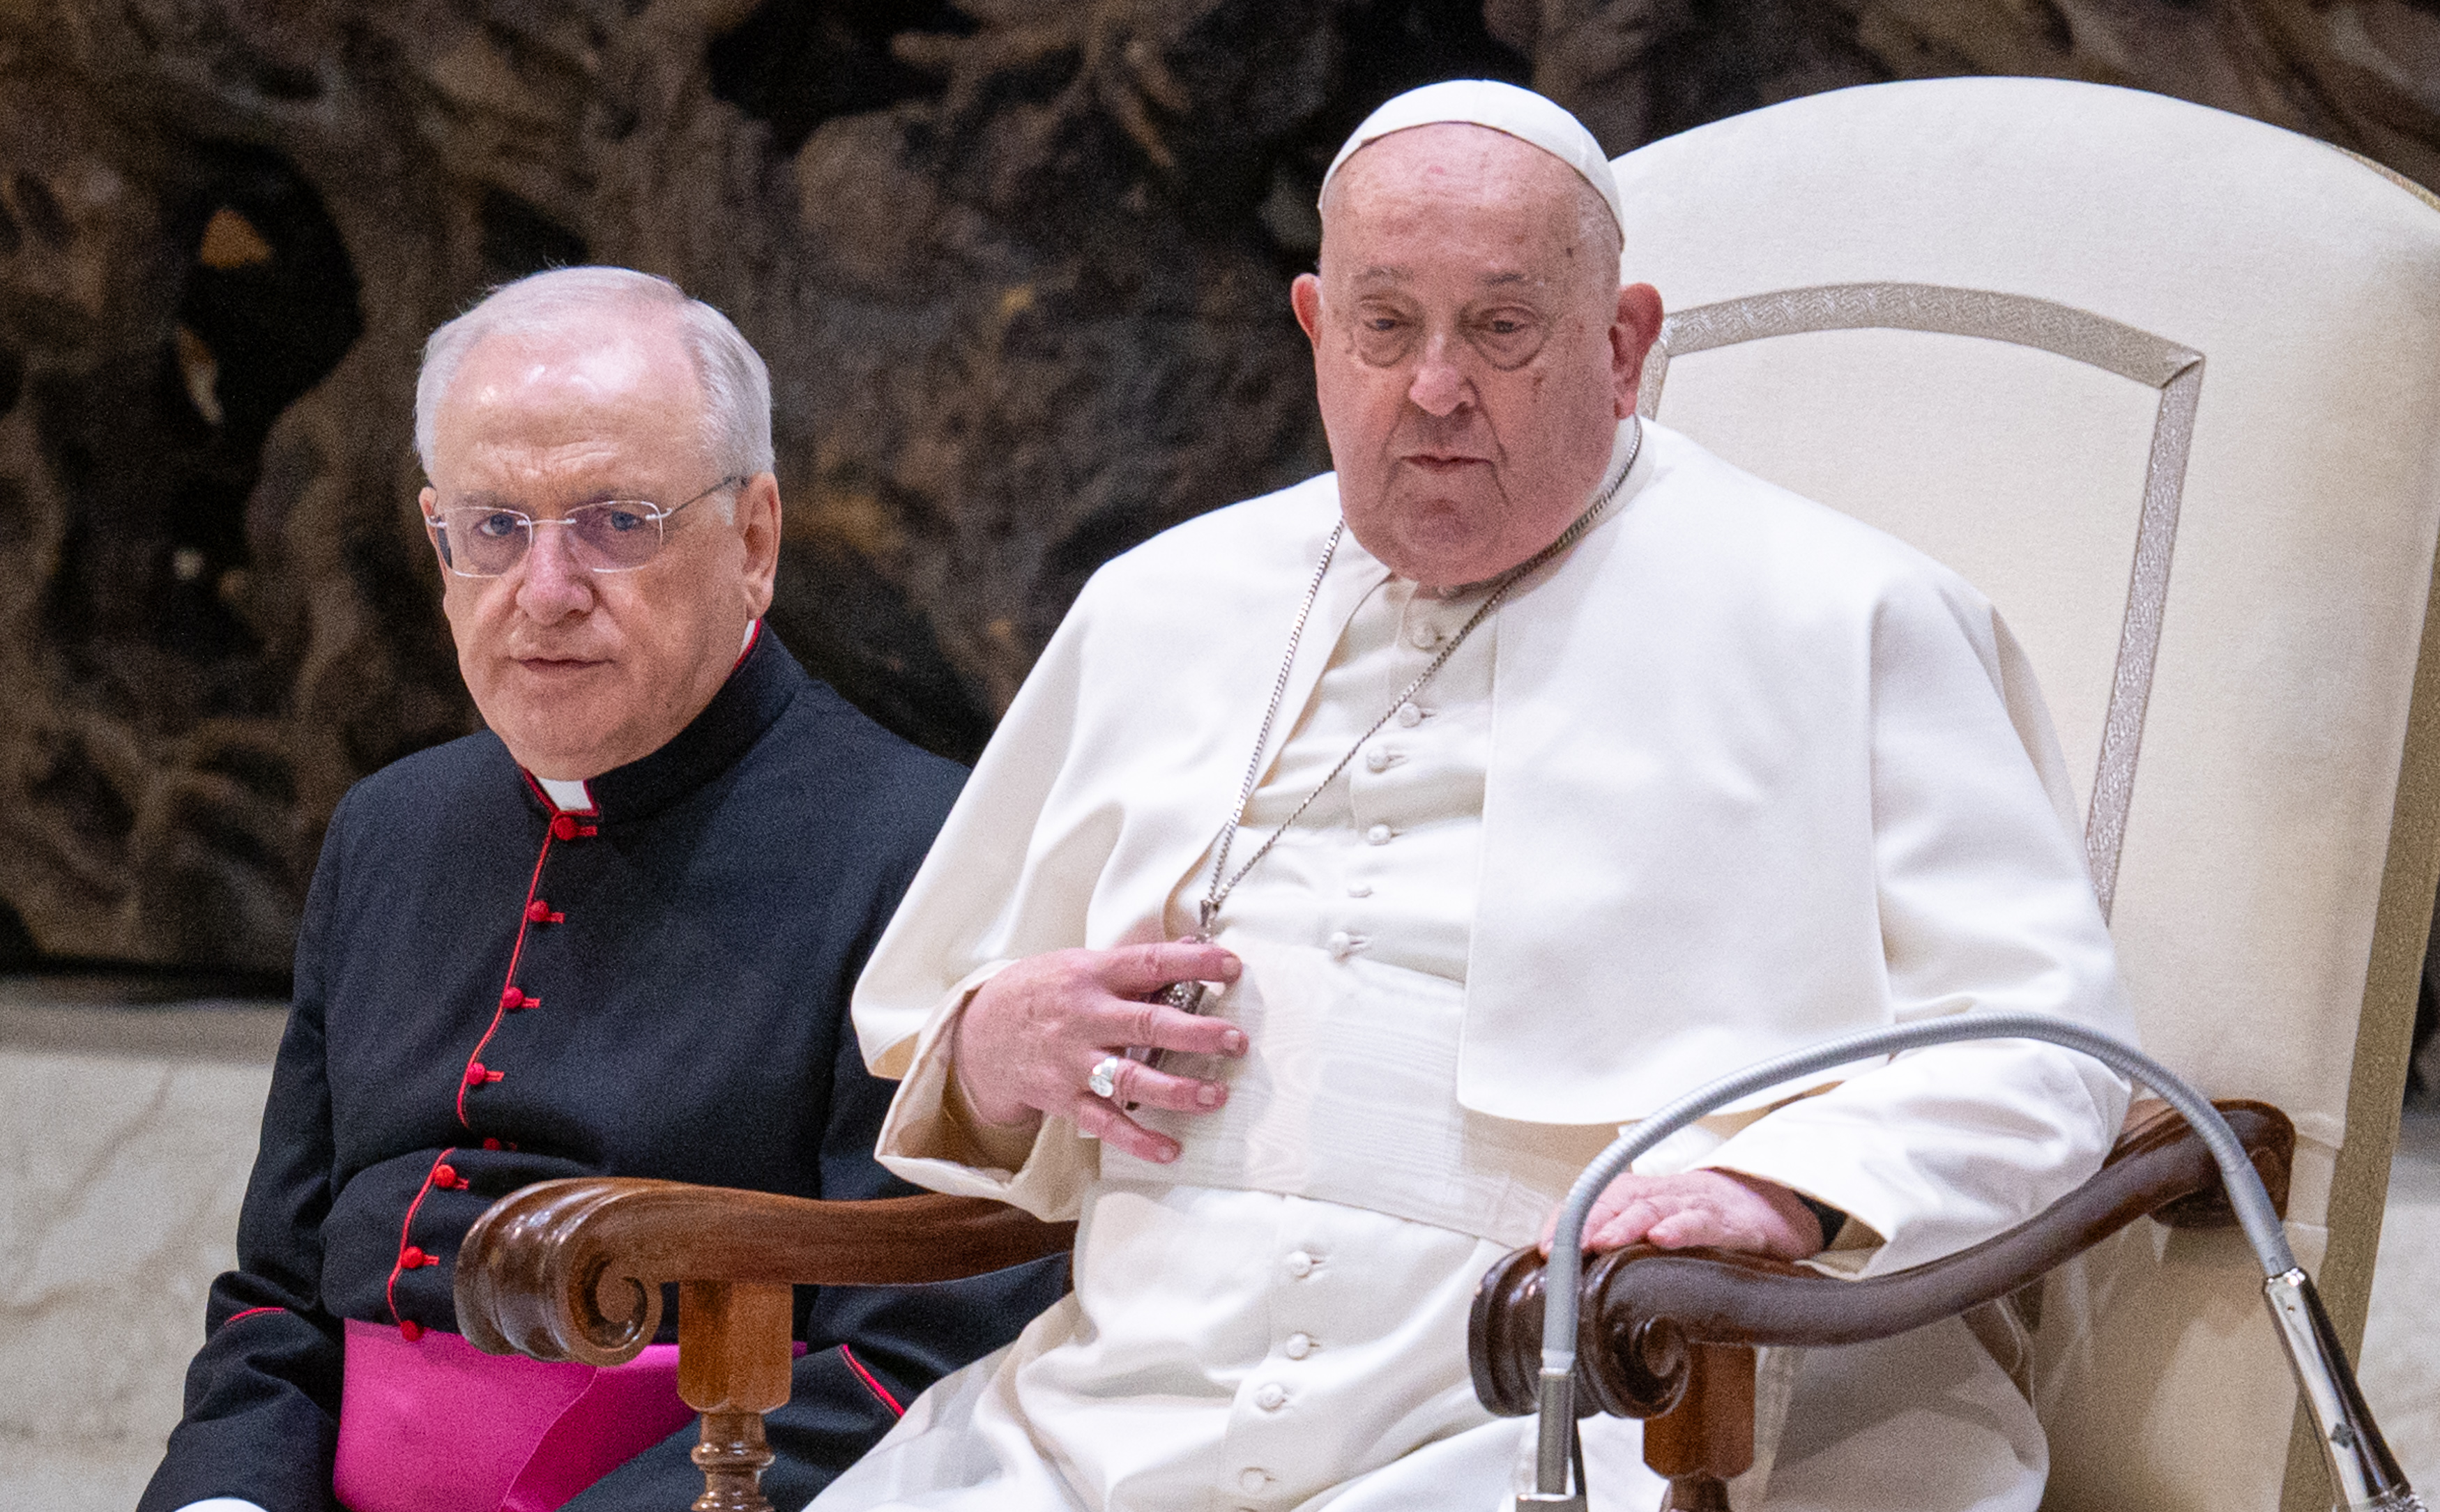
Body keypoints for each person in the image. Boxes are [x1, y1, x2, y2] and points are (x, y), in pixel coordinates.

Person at [821, 82, 2136, 1511]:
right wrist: (999, 1039)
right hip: (1116, 1412)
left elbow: (2042, 1047)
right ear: (1319, 332)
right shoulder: (1158, 604)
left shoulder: (1851, 617)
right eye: (1385, 328)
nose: (1434, 386)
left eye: (1501, 329)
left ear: (1623, 344)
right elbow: (951, 1033)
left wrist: (1780, 1193)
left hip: (1599, 1406)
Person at [138, 268, 1064, 1512]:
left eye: (618, 520)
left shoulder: (929, 848)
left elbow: (917, 1356)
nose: (547, 587)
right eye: (493, 527)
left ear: (753, 538)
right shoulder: (391, 831)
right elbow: (282, 1298)